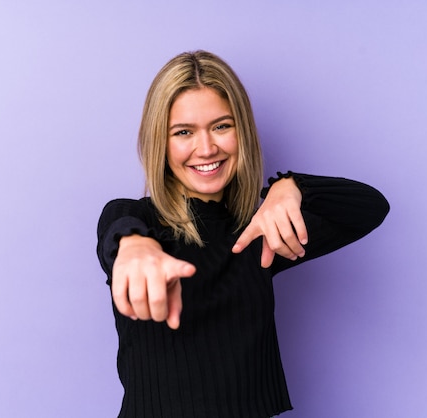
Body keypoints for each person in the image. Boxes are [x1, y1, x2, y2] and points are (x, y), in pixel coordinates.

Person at [97, 50, 389, 418]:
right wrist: (135, 247)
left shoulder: (259, 232)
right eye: (183, 132)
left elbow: (370, 207)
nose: (207, 148)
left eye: (221, 126)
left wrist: (292, 186)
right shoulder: (134, 219)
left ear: (242, 131)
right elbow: (117, 227)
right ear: (160, 142)